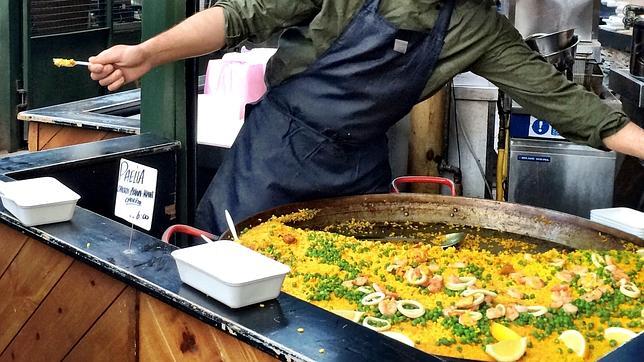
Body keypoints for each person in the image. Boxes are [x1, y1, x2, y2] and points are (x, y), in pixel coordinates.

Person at [89, 0, 644, 235]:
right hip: (276, 151)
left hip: (359, 163)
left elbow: (572, 108)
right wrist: (151, 52)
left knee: (359, 288)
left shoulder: (477, 27)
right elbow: (242, 16)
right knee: (224, 268)